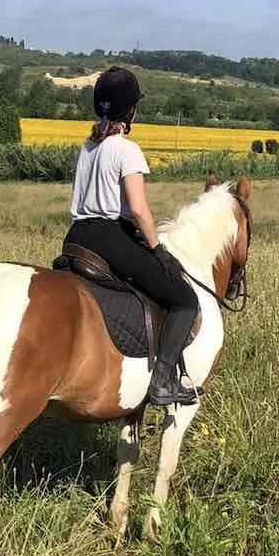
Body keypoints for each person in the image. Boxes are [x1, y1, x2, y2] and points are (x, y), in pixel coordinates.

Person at [64, 66, 199, 406]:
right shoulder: (127, 150)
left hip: (76, 236)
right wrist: (158, 251)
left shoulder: (88, 146)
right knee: (184, 300)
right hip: (108, 235)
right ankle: (163, 382)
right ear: (130, 110)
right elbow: (138, 210)